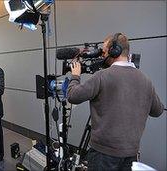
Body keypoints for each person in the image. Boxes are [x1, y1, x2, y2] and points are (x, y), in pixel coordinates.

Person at [67, 33, 164, 170]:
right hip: (131, 155)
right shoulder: (145, 80)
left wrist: (75, 76)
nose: (102, 55)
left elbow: (73, 96)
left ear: (114, 51)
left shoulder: (102, 76)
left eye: (104, 51)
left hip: (102, 155)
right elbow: (158, 110)